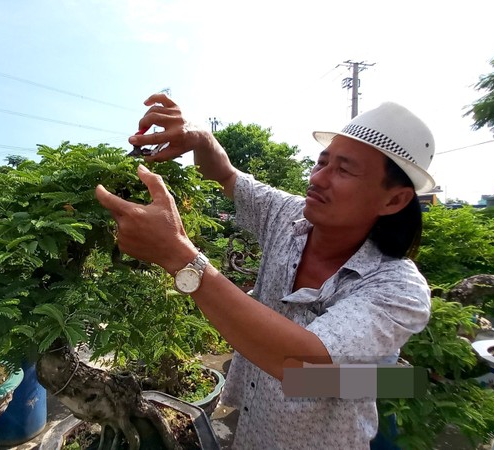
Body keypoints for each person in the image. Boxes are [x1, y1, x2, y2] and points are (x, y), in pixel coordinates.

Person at [95, 94, 435, 449]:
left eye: (344, 170)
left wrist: (179, 256)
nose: (318, 179)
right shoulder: (289, 216)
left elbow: (299, 366)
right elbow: (225, 174)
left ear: (394, 200)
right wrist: (200, 138)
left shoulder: (399, 288)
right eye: (322, 162)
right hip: (252, 429)